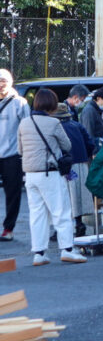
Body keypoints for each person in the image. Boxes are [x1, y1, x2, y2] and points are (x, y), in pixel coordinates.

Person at [17, 89, 86, 266]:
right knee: (61, 211)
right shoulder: (54, 122)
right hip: (50, 173)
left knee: (37, 214)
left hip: (30, 175)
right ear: (52, 105)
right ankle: (68, 250)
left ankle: (39, 253)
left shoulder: (24, 123)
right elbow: (67, 144)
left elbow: (20, 150)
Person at [50, 103, 94, 237]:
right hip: (81, 164)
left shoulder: (55, 127)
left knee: (64, 198)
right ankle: (79, 224)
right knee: (79, 198)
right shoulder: (77, 125)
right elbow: (90, 144)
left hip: (64, 166)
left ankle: (60, 230)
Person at [0, 68, 29, 241]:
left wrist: (25, 154)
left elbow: (27, 129)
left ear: (10, 83)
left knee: (13, 193)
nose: (1, 84)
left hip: (13, 154)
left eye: (4, 81)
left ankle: (8, 228)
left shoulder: (20, 103)